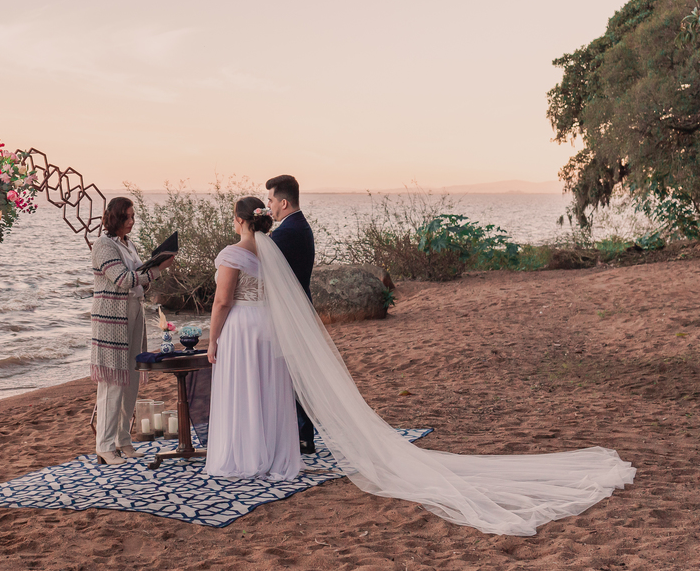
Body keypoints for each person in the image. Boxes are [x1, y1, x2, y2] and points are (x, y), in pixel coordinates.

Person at [230, 223, 636, 536]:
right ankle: (282, 443)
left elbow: (226, 297)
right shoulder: (274, 246)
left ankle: (273, 445)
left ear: (243, 221)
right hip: (268, 331)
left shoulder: (254, 248)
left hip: (250, 333)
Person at [204, 196, 301, 481]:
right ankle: (272, 454)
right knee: (267, 388)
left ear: (241, 220)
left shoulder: (232, 254)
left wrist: (212, 339)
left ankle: (244, 456)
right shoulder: (271, 251)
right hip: (269, 324)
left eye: (234, 217)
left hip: (242, 327)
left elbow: (222, 302)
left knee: (242, 387)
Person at [90, 196, 174, 465]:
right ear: (114, 218)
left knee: (130, 382)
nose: (131, 221)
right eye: (126, 217)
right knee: (113, 382)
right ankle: (104, 445)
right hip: (111, 319)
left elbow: (137, 280)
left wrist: (150, 271)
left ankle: (123, 441)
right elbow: (124, 279)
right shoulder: (103, 246)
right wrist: (157, 269)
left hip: (133, 312)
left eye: (133, 216)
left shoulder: (128, 244)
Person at [264, 174, 318, 454]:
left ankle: (301, 436)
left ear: (283, 202)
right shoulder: (298, 226)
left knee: (293, 375)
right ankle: (302, 435)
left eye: (271, 201)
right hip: (299, 308)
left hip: (291, 313)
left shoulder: (287, 232)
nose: (268, 206)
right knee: (296, 374)